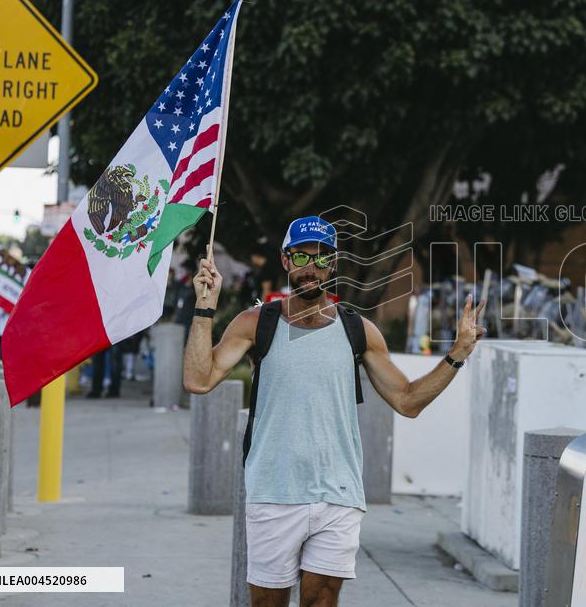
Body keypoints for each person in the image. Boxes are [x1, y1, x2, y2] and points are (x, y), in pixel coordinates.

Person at [183, 216, 485, 607]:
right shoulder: (256, 323)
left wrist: (457, 355)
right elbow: (198, 379)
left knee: (322, 601)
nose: (313, 268)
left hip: (338, 494)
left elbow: (408, 401)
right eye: (303, 257)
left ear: (335, 264)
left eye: (324, 258)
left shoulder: (358, 329)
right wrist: (204, 308)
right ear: (286, 260)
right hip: (275, 492)